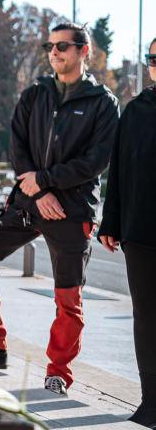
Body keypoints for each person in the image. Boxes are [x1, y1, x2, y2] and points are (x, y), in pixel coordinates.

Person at [0, 22, 118, 398]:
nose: (54, 52)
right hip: (28, 202)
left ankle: (58, 373)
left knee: (68, 298)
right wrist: (36, 192)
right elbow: (17, 146)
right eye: (50, 46)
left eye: (63, 45)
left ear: (84, 51)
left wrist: (47, 182)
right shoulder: (36, 93)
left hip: (72, 210)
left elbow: (97, 160)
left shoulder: (103, 102)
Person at [98, 37, 156, 428]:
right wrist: (111, 222)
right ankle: (150, 402)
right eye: (153, 58)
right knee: (147, 318)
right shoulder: (136, 111)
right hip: (141, 234)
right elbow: (117, 171)